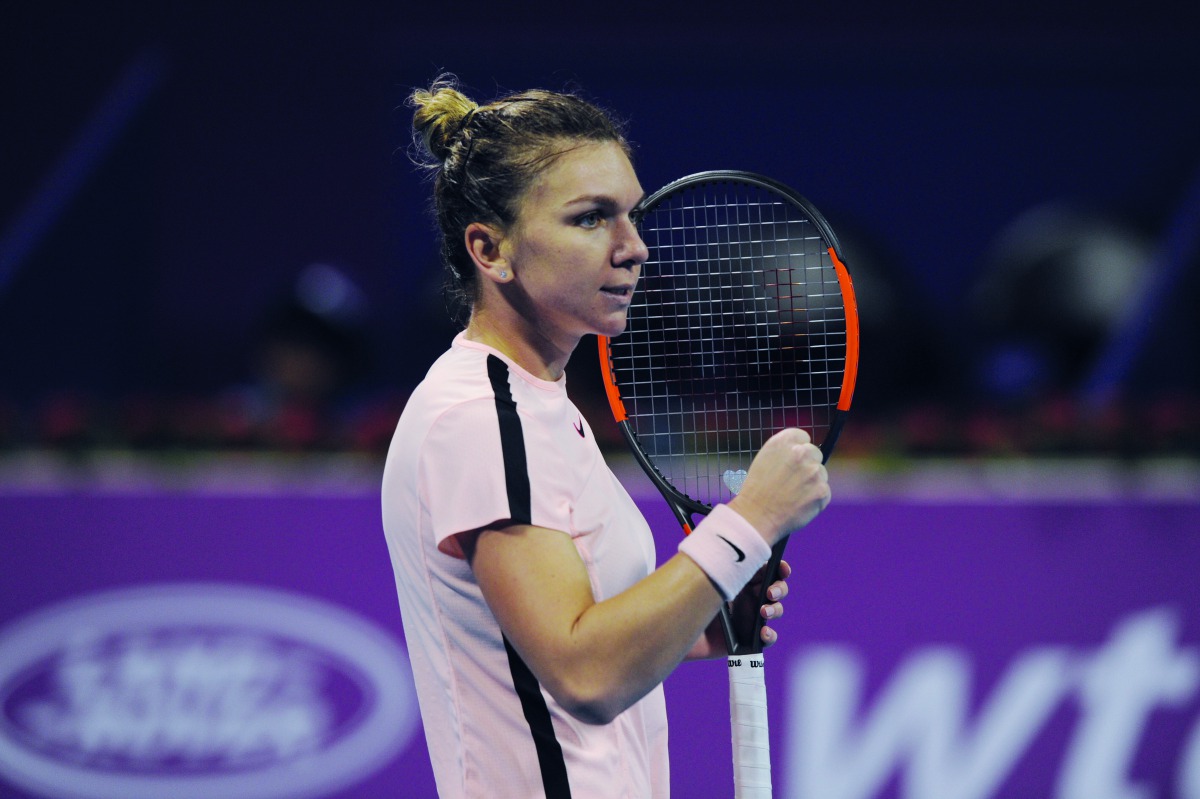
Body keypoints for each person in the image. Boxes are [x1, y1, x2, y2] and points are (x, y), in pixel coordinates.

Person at [381, 76, 832, 799]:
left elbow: (562, 650)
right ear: (490, 249)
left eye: (631, 214)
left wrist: (700, 624)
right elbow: (584, 673)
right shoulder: (480, 418)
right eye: (591, 219)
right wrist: (750, 520)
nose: (634, 247)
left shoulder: (537, 407)